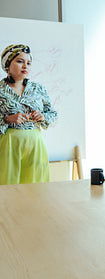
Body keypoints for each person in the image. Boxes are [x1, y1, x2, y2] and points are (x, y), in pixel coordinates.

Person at [0, 44, 58, 185]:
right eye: (20, 61)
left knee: (36, 189)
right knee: (8, 188)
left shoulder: (38, 89)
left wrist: (42, 116)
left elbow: (53, 114)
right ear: (8, 65)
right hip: (9, 146)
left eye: (29, 63)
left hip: (35, 145)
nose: (25, 66)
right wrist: (7, 119)